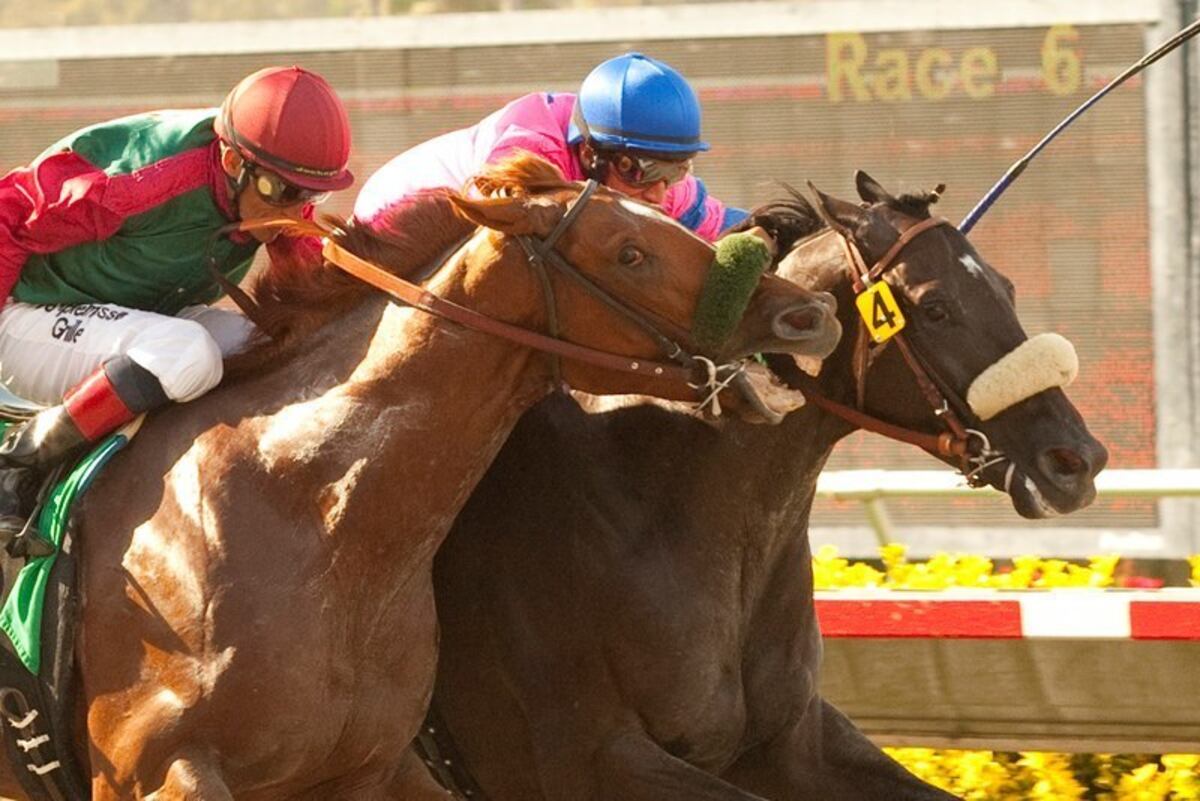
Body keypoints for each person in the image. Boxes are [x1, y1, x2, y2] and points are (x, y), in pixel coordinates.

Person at [0, 65, 355, 549]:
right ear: (232, 161)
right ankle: (15, 465)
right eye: (282, 191)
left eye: (311, 194)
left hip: (138, 324)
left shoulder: (267, 188)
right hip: (27, 320)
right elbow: (9, 212)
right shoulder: (138, 180)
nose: (295, 212)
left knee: (262, 346)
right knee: (187, 352)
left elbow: (311, 295)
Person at [354, 51, 747, 241]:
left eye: (676, 170)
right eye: (641, 169)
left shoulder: (655, 186)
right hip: (396, 217)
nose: (659, 191)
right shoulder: (527, 147)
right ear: (590, 154)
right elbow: (497, 239)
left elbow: (726, 227)